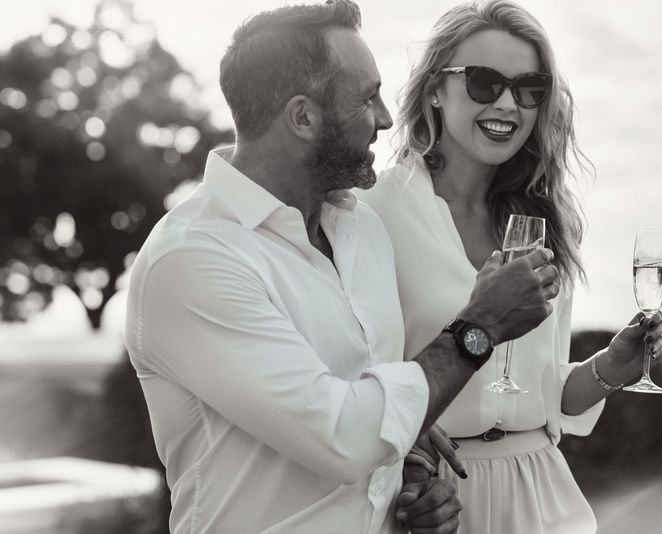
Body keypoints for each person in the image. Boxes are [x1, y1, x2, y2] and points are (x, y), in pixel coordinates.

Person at [123, 1, 561, 532]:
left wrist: (412, 475)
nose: (385, 117)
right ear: (303, 117)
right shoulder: (193, 262)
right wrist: (481, 326)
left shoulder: (361, 231)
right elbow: (345, 437)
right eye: (366, 99)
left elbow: (374, 407)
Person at [358, 1, 662, 533]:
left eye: (529, 88)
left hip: (544, 496)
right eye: (484, 82)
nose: (508, 103)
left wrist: (609, 370)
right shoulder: (374, 214)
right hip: (434, 497)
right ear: (435, 89)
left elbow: (543, 399)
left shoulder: (542, 220)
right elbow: (350, 383)